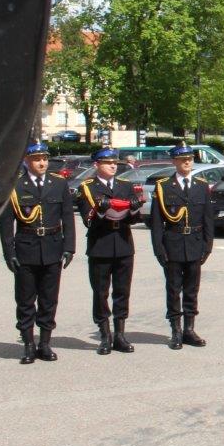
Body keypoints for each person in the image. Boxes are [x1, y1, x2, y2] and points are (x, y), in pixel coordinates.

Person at [0, 141, 74, 364]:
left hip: (52, 247)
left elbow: (68, 217)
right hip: (26, 249)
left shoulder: (58, 183)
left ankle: (45, 343)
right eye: (37, 159)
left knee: (49, 299)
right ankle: (29, 345)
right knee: (25, 299)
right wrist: (9, 252)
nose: (42, 163)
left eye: (44, 159)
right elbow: (6, 223)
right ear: (26, 161)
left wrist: (69, 247)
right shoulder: (15, 186)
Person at [148, 145, 215, 349]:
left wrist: (207, 246)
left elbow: (208, 218)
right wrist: (159, 249)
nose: (187, 162)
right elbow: (157, 222)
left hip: (195, 243)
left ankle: (189, 329)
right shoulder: (164, 186)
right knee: (173, 289)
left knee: (192, 289)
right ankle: (176, 330)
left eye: (190, 159)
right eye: (183, 159)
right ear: (174, 162)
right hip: (173, 244)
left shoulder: (201, 186)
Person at [76, 147, 141, 355]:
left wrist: (134, 208)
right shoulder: (88, 188)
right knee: (101, 292)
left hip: (123, 243)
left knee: (122, 291)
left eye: (115, 163)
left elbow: (134, 219)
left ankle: (120, 334)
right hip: (100, 244)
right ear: (97, 165)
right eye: (108, 163)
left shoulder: (125, 185)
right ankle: (105, 335)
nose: (113, 166)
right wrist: (101, 211)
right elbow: (88, 220)